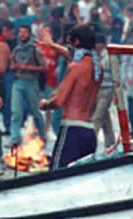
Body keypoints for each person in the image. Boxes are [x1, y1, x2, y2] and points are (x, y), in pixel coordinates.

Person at [41, 24, 101, 169]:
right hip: (89, 131)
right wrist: (51, 45)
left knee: (57, 176)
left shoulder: (75, 68)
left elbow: (59, 101)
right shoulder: (97, 66)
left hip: (71, 131)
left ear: (76, 43)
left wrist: (45, 104)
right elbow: (71, 54)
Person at [9, 24, 48, 143]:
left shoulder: (35, 49)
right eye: (20, 32)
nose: (22, 35)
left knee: (35, 111)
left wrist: (26, 67)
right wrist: (14, 67)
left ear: (29, 34)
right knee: (16, 112)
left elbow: (43, 67)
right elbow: (12, 64)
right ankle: (15, 139)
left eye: (25, 32)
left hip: (31, 82)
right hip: (18, 81)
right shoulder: (16, 49)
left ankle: (42, 135)